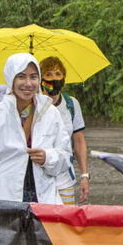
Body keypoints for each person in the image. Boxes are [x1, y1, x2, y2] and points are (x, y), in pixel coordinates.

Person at [0, 53, 71, 203]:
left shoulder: (51, 113)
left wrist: (47, 157)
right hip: (5, 202)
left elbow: (65, 159)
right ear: (11, 79)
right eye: (21, 76)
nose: (28, 83)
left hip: (44, 202)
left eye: (33, 77)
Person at [40, 56, 89, 204]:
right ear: (41, 78)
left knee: (65, 223)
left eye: (57, 74)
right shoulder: (32, 104)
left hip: (64, 179)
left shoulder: (71, 104)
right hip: (38, 180)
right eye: (48, 74)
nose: (53, 78)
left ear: (64, 78)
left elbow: (79, 141)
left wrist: (85, 176)